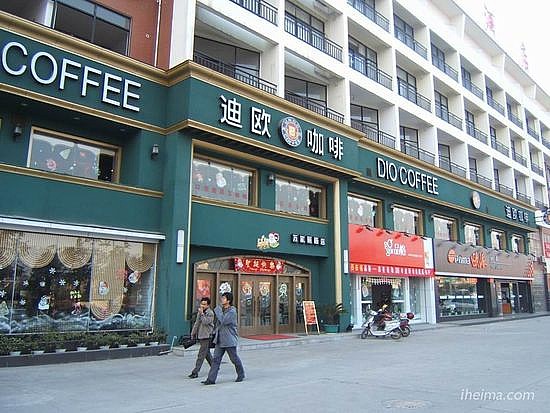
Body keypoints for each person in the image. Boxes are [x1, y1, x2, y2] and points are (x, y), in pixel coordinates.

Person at [202, 292, 245, 385]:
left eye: (224, 298)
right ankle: (211, 379)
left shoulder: (232, 311)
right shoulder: (221, 310)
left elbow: (224, 320)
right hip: (219, 340)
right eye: (222, 298)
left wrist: (217, 310)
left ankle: (241, 374)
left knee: (234, 359)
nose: (222, 299)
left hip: (229, 340)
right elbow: (218, 324)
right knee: (215, 360)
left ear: (228, 301)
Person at [188, 297, 214, 379]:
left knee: (201, 355)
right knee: (206, 354)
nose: (202, 306)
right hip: (200, 335)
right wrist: (193, 333)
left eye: (204, 304)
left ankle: (195, 372)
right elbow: (197, 322)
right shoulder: (200, 312)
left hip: (207, 336)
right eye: (201, 304)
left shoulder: (210, 313)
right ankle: (215, 367)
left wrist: (202, 314)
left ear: (208, 305)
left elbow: (206, 322)